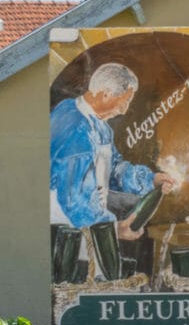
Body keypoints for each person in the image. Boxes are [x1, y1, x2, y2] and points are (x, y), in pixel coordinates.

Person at [50, 63, 175, 240]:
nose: (125, 109)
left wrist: (150, 179)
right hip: (69, 230)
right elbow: (73, 199)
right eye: (125, 101)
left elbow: (115, 168)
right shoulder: (74, 127)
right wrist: (113, 229)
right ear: (106, 94)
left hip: (92, 227)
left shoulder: (100, 127)